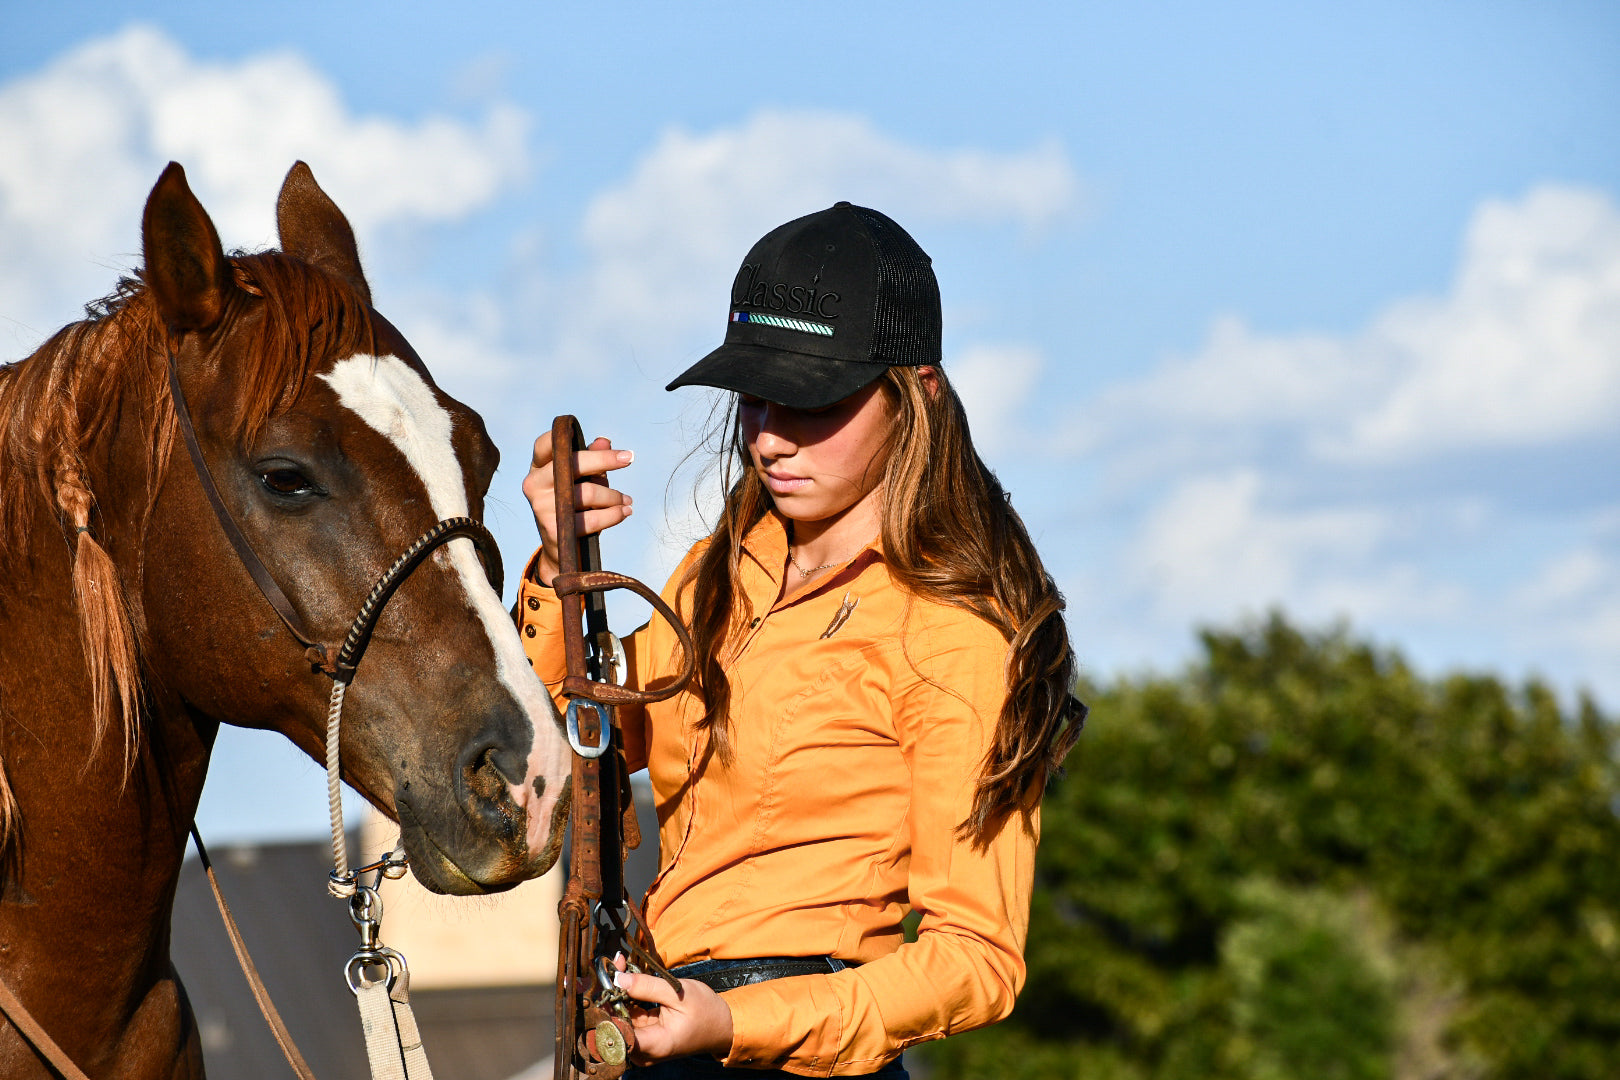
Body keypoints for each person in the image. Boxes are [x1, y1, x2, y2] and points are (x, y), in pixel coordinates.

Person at [517, 202, 1084, 1077]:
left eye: (813, 401)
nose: (771, 438)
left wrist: (739, 1020)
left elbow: (976, 959)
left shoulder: (957, 636)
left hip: (794, 1051)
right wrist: (561, 572)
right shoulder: (716, 576)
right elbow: (559, 762)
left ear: (917, 393)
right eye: (754, 399)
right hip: (656, 1025)